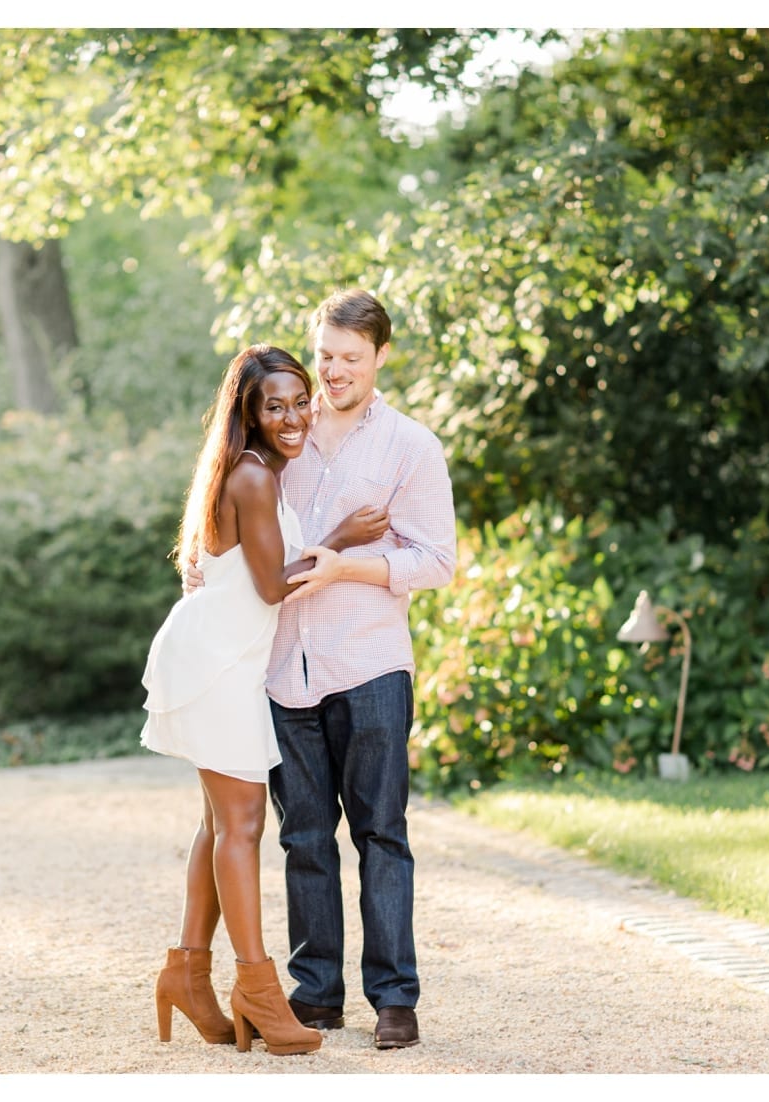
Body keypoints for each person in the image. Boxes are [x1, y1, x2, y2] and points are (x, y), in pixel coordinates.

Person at [186, 289, 456, 1050]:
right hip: (278, 672)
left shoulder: (410, 447)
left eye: (351, 359)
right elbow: (233, 548)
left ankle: (395, 999)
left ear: (380, 359)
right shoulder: (279, 439)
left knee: (381, 835)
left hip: (368, 663)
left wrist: (349, 568)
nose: (334, 373)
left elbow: (436, 561)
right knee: (302, 837)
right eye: (327, 356)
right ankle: (316, 996)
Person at [140, 343, 388, 1057]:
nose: (291, 417)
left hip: (229, 661)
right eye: (272, 405)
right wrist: (339, 540)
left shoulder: (257, 474)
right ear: (247, 413)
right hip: (217, 664)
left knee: (219, 824)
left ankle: (187, 975)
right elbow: (274, 586)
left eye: (298, 402)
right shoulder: (251, 477)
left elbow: (258, 577)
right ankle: (255, 987)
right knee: (242, 824)